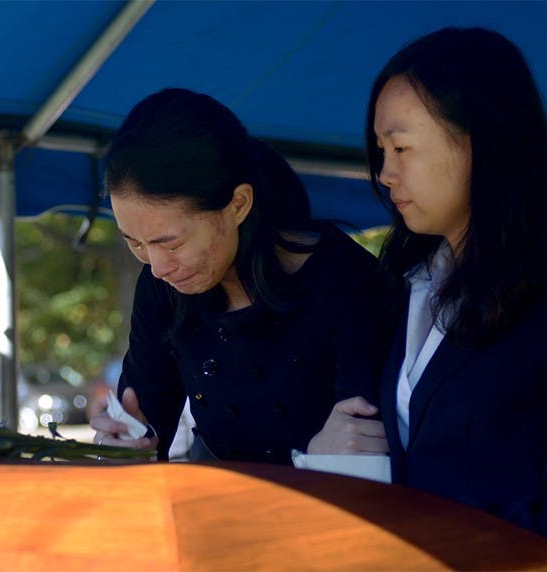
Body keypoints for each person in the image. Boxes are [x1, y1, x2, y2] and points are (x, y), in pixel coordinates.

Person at [349, 27, 547, 569]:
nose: (385, 173)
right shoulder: (409, 288)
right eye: (381, 150)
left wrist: (418, 536)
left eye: (402, 147)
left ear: (483, 142)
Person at [90, 87, 394, 463]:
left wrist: (322, 458)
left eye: (172, 243)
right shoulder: (161, 289)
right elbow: (143, 417)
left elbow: (367, 447)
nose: (158, 267)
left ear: (238, 204)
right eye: (135, 243)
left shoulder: (347, 283)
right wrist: (127, 443)